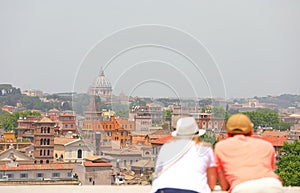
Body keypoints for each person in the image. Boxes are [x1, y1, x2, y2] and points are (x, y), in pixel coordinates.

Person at [214, 113, 284, 193]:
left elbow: (224, 185)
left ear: (228, 133)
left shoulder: (221, 147)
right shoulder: (267, 146)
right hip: (273, 185)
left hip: (242, 188)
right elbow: (271, 169)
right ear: (251, 131)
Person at [150, 117, 217, 193]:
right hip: (194, 189)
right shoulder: (205, 149)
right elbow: (212, 180)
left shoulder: (166, 147)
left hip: (163, 188)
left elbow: (158, 171)